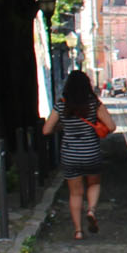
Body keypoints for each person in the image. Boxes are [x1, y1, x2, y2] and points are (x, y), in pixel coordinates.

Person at [42, 70, 112, 242]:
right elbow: (111, 126)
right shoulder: (94, 104)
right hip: (91, 152)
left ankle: (78, 231)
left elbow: (46, 130)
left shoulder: (62, 105)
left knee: (75, 194)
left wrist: (63, 126)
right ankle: (91, 211)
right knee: (94, 183)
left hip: (70, 154)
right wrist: (96, 124)